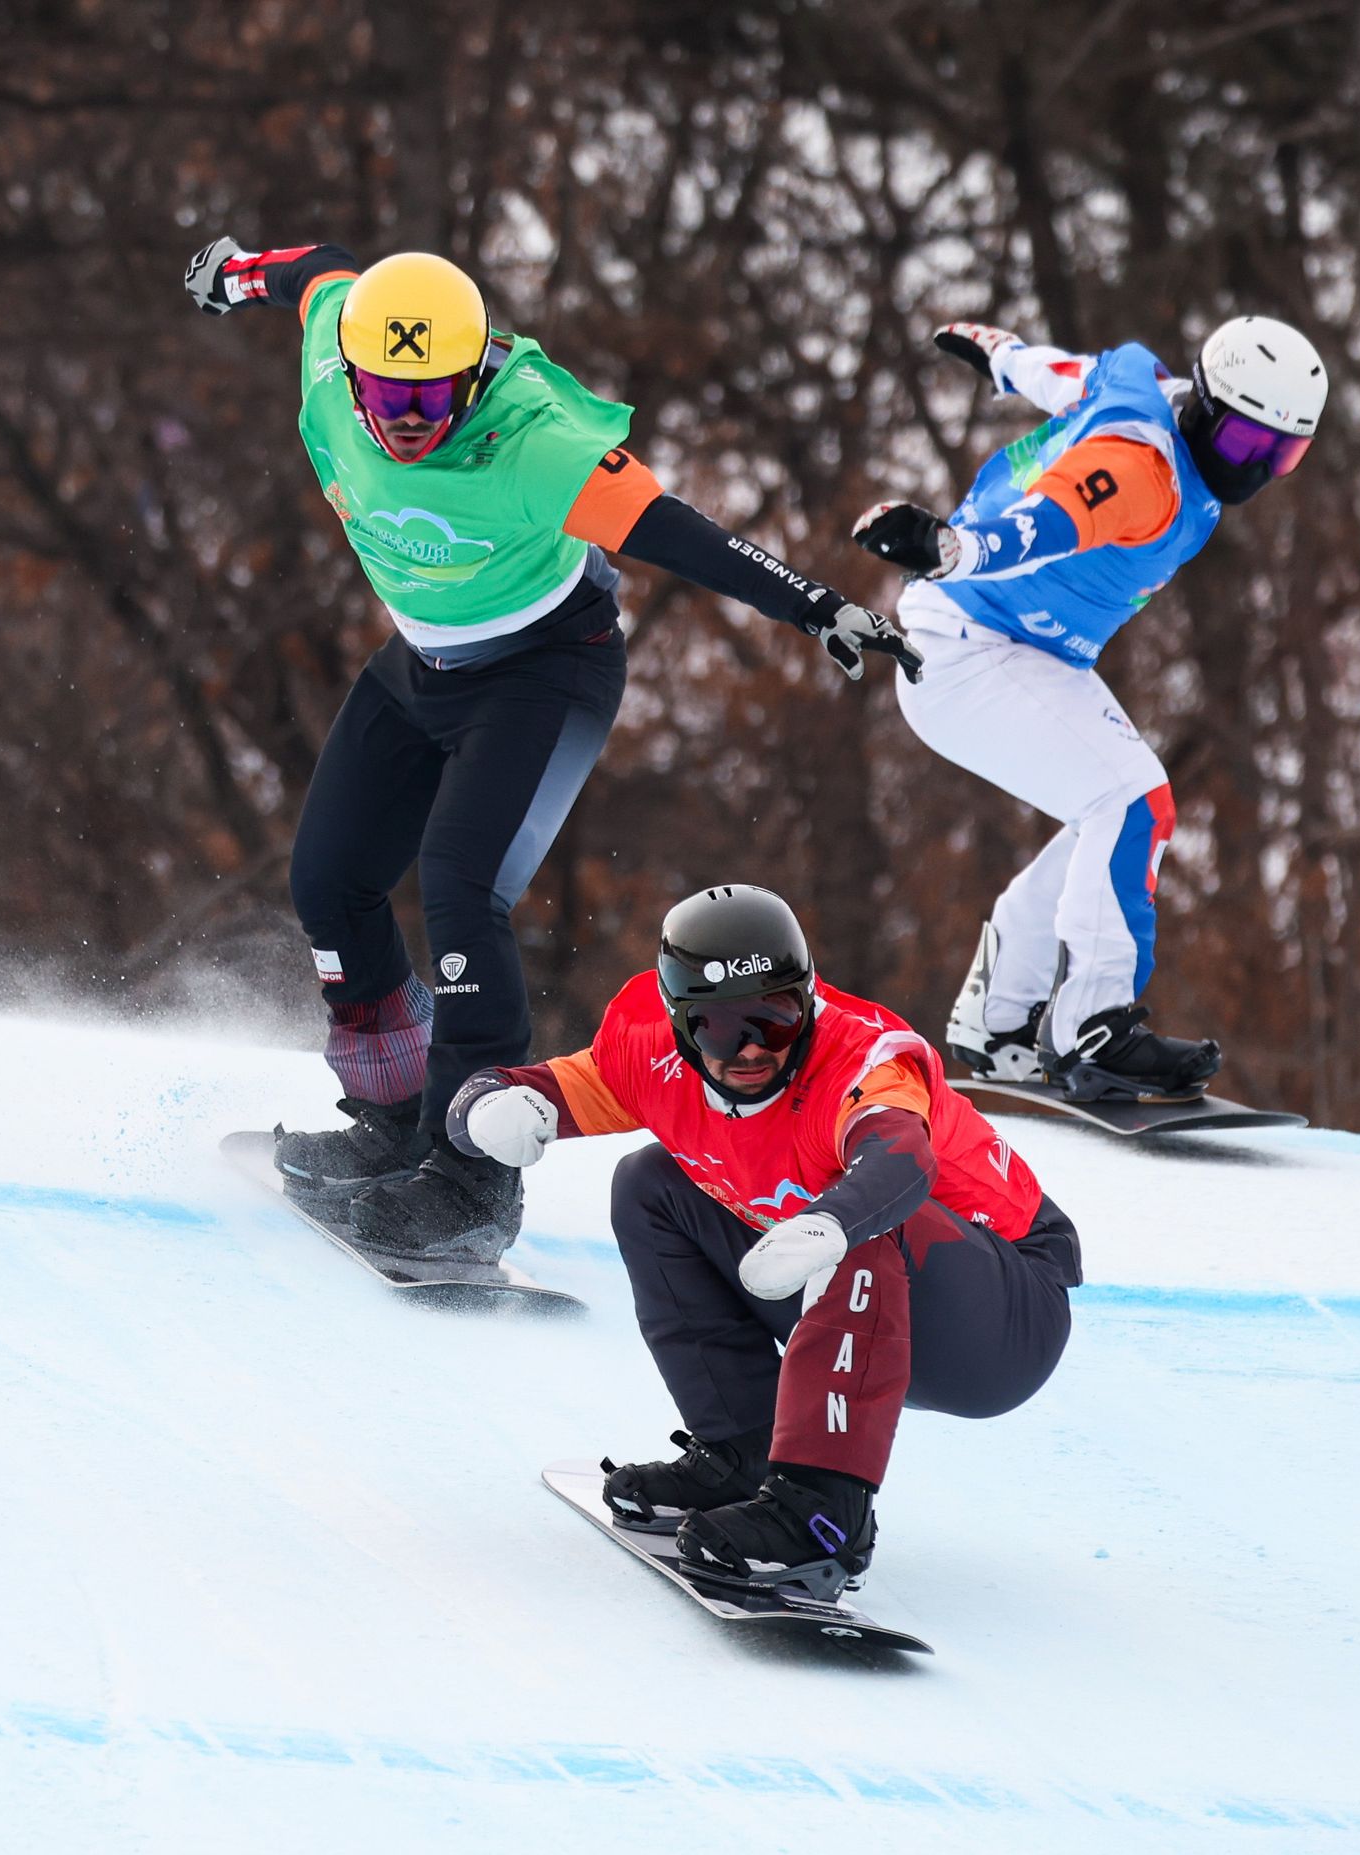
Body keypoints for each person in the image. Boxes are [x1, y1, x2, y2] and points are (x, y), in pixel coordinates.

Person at [184, 236, 923, 1262]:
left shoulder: (534, 439)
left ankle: (471, 1185)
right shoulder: (330, 351)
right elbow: (327, 269)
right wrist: (240, 275)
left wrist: (817, 607)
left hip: (543, 672)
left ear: (476, 372)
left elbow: (678, 530)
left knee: (460, 887)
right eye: (387, 398)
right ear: (350, 373)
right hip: (422, 663)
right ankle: (394, 1121)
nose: (405, 423)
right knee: (329, 881)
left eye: (433, 401)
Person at [447, 883, 1078, 1599]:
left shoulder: (862, 1063)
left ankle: (822, 1514)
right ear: (680, 1024)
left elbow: (902, 1158)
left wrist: (832, 1221)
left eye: (773, 1020)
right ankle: (744, 1452)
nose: (749, 1048)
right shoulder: (648, 1056)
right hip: (866, 1294)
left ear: (807, 1004)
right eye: (717, 1027)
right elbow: (525, 1089)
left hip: (1005, 1317)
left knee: (864, 1220)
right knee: (648, 1184)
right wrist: (483, 1106)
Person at [849, 316, 1325, 1100]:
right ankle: (1094, 1031)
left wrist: (1001, 356)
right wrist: (952, 550)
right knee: (1134, 801)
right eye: (1246, 445)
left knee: (1110, 820)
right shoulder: (1145, 472)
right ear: (1203, 406)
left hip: (1017, 647)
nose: (1257, 470)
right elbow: (1050, 525)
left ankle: (998, 1019)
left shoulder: (1140, 379)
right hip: (970, 648)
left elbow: (1066, 376)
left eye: (1283, 454)